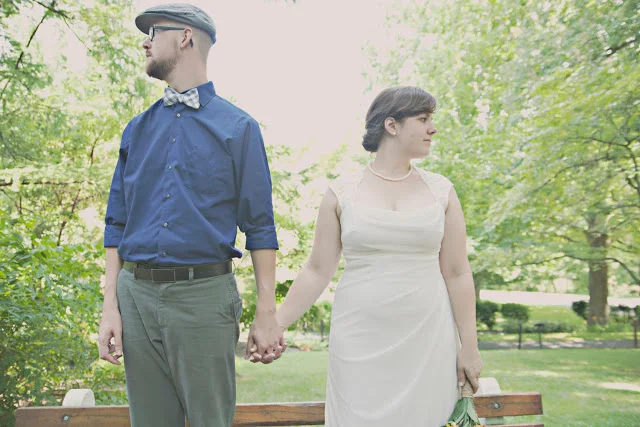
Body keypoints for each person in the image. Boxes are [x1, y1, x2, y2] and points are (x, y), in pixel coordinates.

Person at [97, 4, 284, 426]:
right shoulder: (136, 130)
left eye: (154, 33)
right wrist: (110, 307)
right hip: (135, 297)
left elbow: (260, 226)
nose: (145, 43)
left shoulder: (239, 127)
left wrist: (267, 313)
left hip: (204, 298)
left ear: (184, 37)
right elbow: (116, 223)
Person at [258, 86, 482, 426]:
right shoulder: (341, 191)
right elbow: (317, 270)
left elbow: (457, 272)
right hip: (359, 338)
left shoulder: (442, 191)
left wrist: (470, 346)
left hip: (428, 338)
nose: (433, 129)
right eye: (423, 119)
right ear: (392, 125)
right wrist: (275, 325)